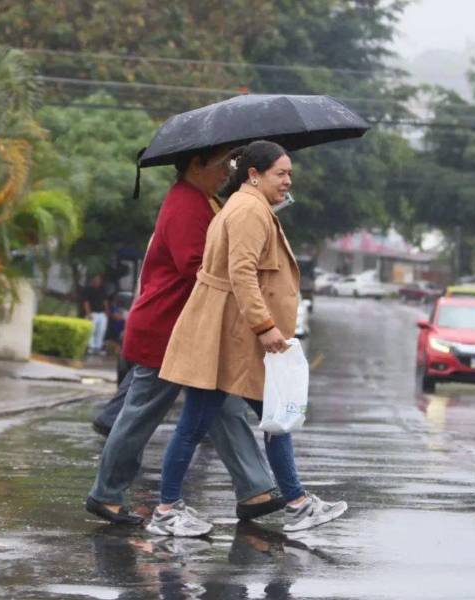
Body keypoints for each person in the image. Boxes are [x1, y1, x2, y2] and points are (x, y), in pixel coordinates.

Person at [149, 141, 348, 537]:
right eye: (281, 173)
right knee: (198, 423)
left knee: (274, 417)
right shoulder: (247, 211)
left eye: (290, 173)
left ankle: (297, 502)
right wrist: (265, 327)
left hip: (236, 336)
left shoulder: (251, 207)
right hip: (231, 336)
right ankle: (167, 510)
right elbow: (242, 274)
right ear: (254, 174)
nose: (288, 180)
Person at [86, 145, 286, 526]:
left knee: (222, 407)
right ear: (196, 164)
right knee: (140, 415)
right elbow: (198, 265)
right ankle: (106, 494)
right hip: (167, 326)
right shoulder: (186, 204)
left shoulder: (203, 201)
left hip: (189, 327)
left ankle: (256, 489)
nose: (229, 171)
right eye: (222, 164)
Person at [82, 274, 109, 355]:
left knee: (101, 330)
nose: (98, 281)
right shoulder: (88, 289)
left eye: (99, 280)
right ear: (92, 280)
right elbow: (86, 302)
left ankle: (98, 347)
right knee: (91, 330)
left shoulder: (102, 289)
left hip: (101, 313)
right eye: (96, 280)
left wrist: (107, 311)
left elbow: (105, 301)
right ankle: (91, 347)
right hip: (92, 313)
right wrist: (88, 313)